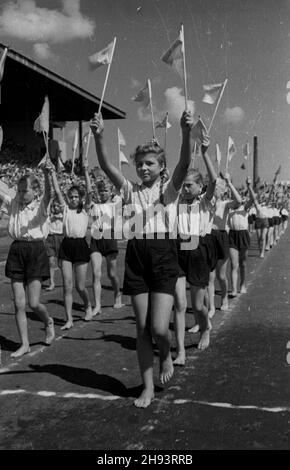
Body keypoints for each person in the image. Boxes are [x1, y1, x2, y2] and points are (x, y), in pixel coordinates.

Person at [90, 110, 193, 408]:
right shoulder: (129, 191)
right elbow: (108, 166)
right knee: (142, 327)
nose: (143, 168)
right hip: (136, 254)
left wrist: (186, 134)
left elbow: (185, 163)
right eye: (139, 164)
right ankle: (146, 386)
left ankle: (166, 353)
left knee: (160, 328)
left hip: (163, 254)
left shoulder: (170, 190)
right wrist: (99, 137)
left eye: (149, 163)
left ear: (162, 167)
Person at [0, 161, 55, 357]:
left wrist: (48, 175)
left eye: (25, 191)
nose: (21, 194)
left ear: (35, 191)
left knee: (33, 303)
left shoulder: (41, 206)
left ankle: (48, 321)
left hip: (35, 251)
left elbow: (50, 195)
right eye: (20, 190)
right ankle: (24, 343)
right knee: (18, 303)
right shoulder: (13, 202)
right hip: (17, 250)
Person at [173, 138, 216, 366]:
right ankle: (180, 350)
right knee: (179, 304)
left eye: (190, 185)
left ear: (200, 187)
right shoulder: (176, 201)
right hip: (178, 251)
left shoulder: (205, 202)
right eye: (184, 185)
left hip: (198, 251)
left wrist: (206, 153)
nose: (186, 188)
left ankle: (206, 328)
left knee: (198, 305)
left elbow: (215, 180)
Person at [51, 160, 93, 330]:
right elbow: (57, 190)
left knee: (80, 286)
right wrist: (52, 172)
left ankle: (88, 305)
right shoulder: (65, 209)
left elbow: (89, 191)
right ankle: (69, 319)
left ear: (80, 198)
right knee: (67, 286)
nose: (74, 199)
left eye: (76, 197)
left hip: (81, 246)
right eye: (71, 196)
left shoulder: (84, 210)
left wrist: (86, 172)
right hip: (66, 246)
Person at [208, 173, 242, 312]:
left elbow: (239, 201)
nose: (214, 189)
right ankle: (210, 307)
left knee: (221, 275)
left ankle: (224, 299)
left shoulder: (225, 204)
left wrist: (229, 182)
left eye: (217, 188)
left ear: (222, 190)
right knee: (210, 276)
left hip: (221, 237)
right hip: (209, 237)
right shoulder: (206, 202)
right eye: (213, 187)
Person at [89, 177, 123, 314]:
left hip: (109, 237)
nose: (103, 193)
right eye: (101, 191)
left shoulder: (115, 204)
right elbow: (88, 193)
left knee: (112, 273)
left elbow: (122, 192)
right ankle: (97, 305)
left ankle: (117, 295)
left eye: (106, 190)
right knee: (96, 273)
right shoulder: (94, 205)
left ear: (111, 191)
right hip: (96, 237)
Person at [228, 180, 252, 296]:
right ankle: (233, 289)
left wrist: (249, 186)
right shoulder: (230, 208)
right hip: (232, 235)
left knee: (243, 263)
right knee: (234, 264)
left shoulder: (245, 208)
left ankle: (242, 284)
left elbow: (252, 200)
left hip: (243, 235)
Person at [44, 198, 64, 291]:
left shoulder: (64, 215)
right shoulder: (49, 216)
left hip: (61, 238)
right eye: (53, 206)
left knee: (61, 264)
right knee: (51, 262)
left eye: (57, 206)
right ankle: (51, 283)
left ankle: (66, 281)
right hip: (50, 238)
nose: (55, 208)